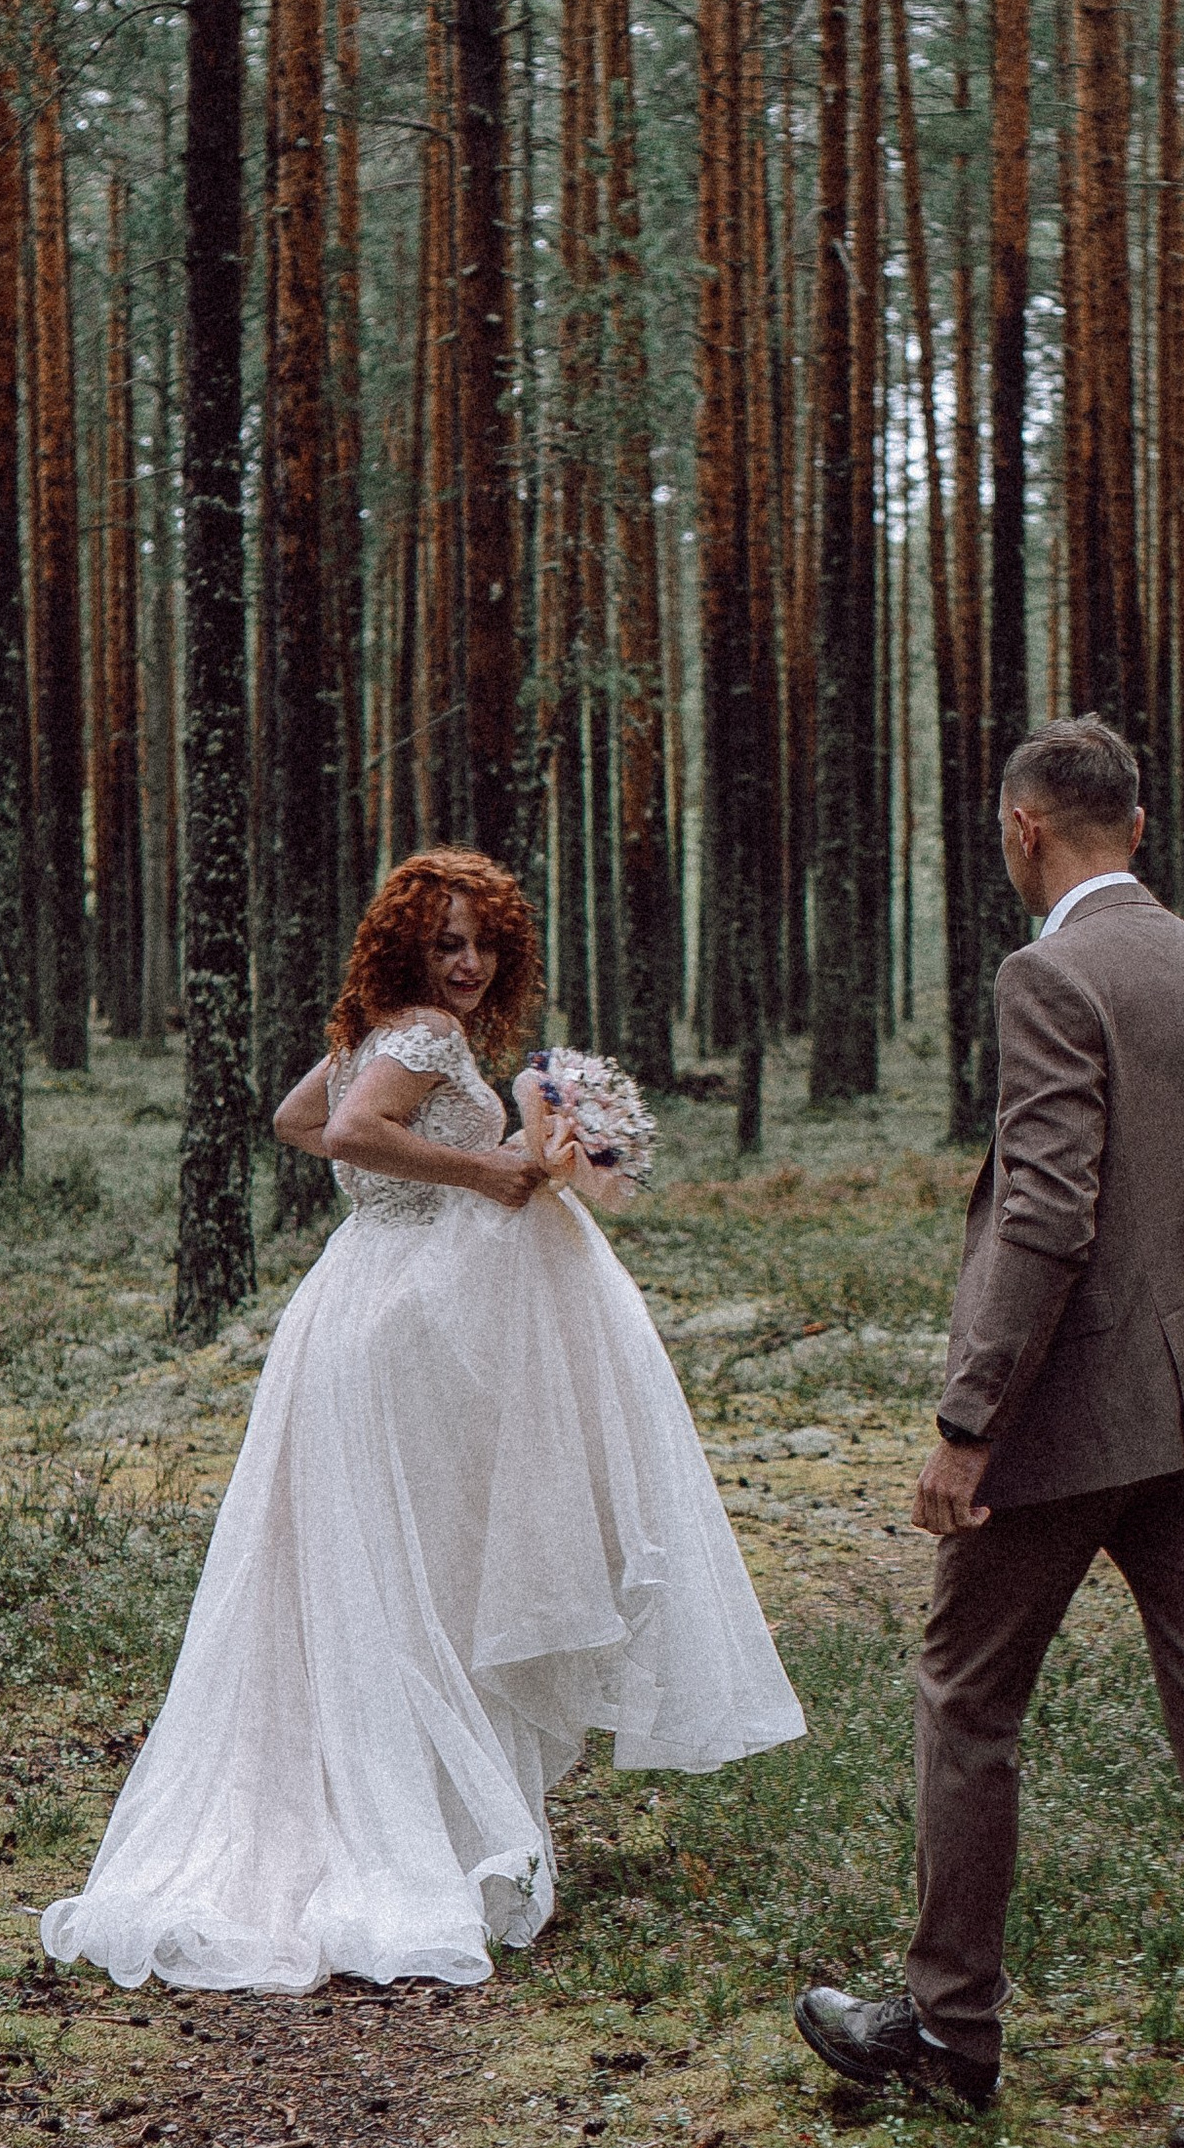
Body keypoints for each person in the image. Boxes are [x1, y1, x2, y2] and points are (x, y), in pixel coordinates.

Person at [43, 850, 803, 1994]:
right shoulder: (421, 1039)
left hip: (356, 1301)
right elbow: (346, 1134)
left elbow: (301, 1116)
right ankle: (418, 1826)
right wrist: (475, 1174)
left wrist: (453, 1175)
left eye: (484, 943)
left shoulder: (380, 1028)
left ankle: (415, 1802)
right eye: (446, 941)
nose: (467, 963)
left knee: (388, 1564)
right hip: (397, 1317)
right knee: (414, 1563)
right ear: (407, 944)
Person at [793, 718, 1184, 2148]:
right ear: (1138, 828)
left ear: (1024, 828)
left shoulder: (1049, 975)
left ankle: (948, 2032)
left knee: (967, 1696)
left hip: (1071, 1416)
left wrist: (968, 1420)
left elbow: (1047, 1209)